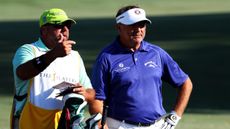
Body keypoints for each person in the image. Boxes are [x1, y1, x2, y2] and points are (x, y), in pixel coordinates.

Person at [90, 5, 193, 129]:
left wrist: (175, 115)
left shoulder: (156, 53)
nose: (138, 29)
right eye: (132, 25)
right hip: (120, 125)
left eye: (142, 25)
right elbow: (97, 98)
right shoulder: (106, 57)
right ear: (119, 27)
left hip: (157, 125)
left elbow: (185, 83)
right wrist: (102, 125)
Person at [10, 8, 100, 129]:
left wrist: (84, 93)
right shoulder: (28, 50)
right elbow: (22, 73)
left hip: (62, 124)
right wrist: (54, 54)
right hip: (28, 124)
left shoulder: (75, 57)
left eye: (68, 26)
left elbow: (92, 93)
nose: (65, 30)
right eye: (59, 26)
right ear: (44, 31)